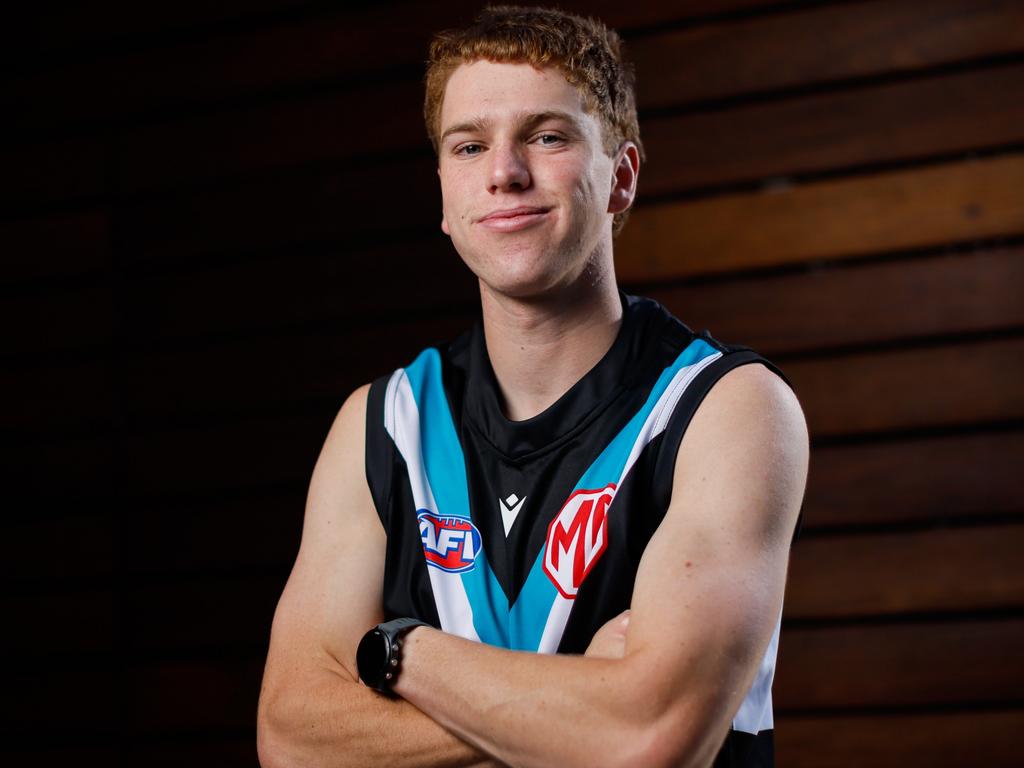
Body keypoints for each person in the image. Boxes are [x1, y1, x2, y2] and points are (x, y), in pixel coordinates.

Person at [256, 6, 808, 767]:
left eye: (546, 137)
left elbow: (646, 738)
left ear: (621, 177)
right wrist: (583, 692)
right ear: (446, 196)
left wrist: (398, 652)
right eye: (470, 144)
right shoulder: (382, 422)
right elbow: (290, 736)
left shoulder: (728, 409)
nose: (504, 171)